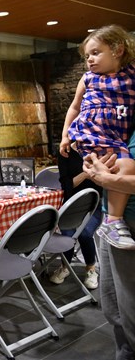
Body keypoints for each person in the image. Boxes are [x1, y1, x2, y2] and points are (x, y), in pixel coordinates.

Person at [60, 24, 135, 250]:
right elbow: (74, 107)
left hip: (115, 137)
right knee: (125, 166)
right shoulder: (88, 78)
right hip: (89, 133)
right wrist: (65, 135)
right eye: (87, 56)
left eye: (95, 53)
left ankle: (111, 220)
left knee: (123, 167)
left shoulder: (130, 75)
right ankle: (113, 220)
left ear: (118, 50)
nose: (90, 60)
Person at [83, 146, 135, 359]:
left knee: (131, 314)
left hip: (129, 224)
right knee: (114, 309)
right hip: (112, 222)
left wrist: (109, 179)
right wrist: (94, 166)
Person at [50, 146, 102, 289]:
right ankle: (65, 266)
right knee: (67, 233)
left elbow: (103, 182)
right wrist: (86, 174)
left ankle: (91, 268)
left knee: (85, 233)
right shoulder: (65, 152)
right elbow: (66, 185)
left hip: (93, 205)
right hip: (71, 206)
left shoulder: (96, 148)